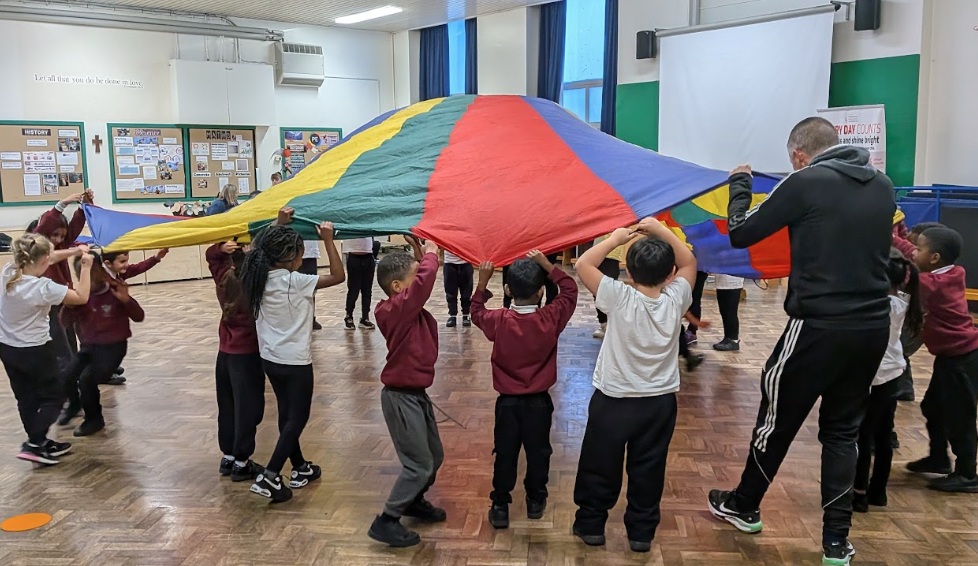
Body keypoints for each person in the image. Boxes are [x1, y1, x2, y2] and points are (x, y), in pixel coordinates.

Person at [707, 117, 894, 566]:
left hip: (818, 325)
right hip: (872, 327)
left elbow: (740, 233)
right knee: (843, 432)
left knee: (777, 418)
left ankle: (744, 505)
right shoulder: (883, 185)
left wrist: (740, 184)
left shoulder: (805, 181)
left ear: (798, 155)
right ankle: (836, 542)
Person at [572, 218, 696, 554]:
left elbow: (583, 264)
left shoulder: (618, 296)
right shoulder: (676, 299)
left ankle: (591, 525)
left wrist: (614, 239)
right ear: (670, 274)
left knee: (599, 463)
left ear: (627, 270)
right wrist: (660, 229)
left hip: (614, 400)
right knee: (649, 467)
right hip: (659, 404)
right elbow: (689, 261)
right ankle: (641, 532)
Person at [239, 208, 344, 503]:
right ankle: (270, 475)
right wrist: (328, 239)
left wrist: (278, 223)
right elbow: (339, 276)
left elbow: (256, 249)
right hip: (295, 361)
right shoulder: (295, 281)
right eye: (300, 252)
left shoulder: (256, 277)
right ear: (291, 257)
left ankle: (299, 468)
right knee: (297, 417)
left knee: (287, 413)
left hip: (270, 358)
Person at [471, 251, 578, 529]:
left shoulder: (499, 320)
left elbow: (476, 312)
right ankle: (535, 500)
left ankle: (500, 504)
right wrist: (547, 264)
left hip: (506, 404)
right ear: (541, 291)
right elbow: (570, 289)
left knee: (505, 452)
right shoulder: (551, 317)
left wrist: (482, 283)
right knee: (539, 452)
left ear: (507, 290)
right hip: (539, 404)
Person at [367, 237, 446, 548]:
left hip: (416, 395)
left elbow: (419, 285)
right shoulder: (393, 310)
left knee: (434, 457)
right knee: (419, 465)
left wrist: (420, 255)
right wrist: (430, 255)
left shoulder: (405, 309)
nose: (420, 282)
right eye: (414, 276)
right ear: (398, 287)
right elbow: (422, 285)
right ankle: (387, 520)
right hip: (400, 398)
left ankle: (413, 500)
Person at [894, 226, 978, 493]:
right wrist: (889, 235)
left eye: (920, 249)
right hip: (950, 357)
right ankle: (939, 458)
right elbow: (909, 252)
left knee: (960, 417)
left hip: (962, 359)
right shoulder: (950, 272)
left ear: (934, 258)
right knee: (933, 407)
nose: (913, 251)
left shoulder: (934, 284)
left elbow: (903, 275)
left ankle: (967, 474)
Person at [0, 234, 92, 465]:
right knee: (55, 397)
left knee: (26, 397)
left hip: (8, 348)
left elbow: (47, 258)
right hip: (35, 350)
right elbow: (81, 297)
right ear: (44, 260)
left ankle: (39, 442)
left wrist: (74, 251)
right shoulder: (43, 288)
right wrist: (85, 267)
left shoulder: (9, 271)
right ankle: (33, 443)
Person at [853, 249, 923, 512]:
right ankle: (878, 491)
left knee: (862, 434)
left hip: (873, 374)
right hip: (893, 373)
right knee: (883, 434)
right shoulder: (902, 301)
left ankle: (859, 494)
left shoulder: (876, 305)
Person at [60, 252, 145, 437]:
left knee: (86, 380)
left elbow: (139, 316)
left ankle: (94, 420)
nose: (87, 277)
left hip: (113, 348)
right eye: (82, 272)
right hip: (90, 347)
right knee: (67, 376)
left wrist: (126, 300)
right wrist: (68, 306)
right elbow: (65, 322)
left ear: (100, 270)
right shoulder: (81, 296)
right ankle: (74, 405)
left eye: (91, 270)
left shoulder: (114, 289)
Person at [206, 240, 266, 483]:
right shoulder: (255, 287)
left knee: (228, 406)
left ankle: (229, 456)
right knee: (248, 409)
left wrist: (220, 248)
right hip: (247, 356)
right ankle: (241, 462)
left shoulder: (224, 279)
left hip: (225, 355)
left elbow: (212, 258)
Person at [30, 192, 91, 425]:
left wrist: (84, 206)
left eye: (61, 236)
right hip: (50, 306)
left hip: (65, 301)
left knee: (71, 348)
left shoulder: (63, 245)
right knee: (62, 353)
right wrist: (62, 203)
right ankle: (69, 397)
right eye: (53, 235)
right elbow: (45, 227)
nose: (57, 240)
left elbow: (76, 226)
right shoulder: (39, 248)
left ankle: (74, 392)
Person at [892, 221, 942, 402]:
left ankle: (901, 389)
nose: (907, 235)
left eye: (919, 249)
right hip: (917, 323)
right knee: (899, 350)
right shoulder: (938, 272)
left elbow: (906, 248)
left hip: (918, 324)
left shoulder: (928, 278)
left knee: (899, 348)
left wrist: (890, 236)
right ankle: (904, 390)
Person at [591, 234, 623, 340]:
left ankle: (609, 325)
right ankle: (604, 324)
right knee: (597, 289)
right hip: (598, 251)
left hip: (611, 254)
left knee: (607, 291)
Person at [343, 237, 377, 330]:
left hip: (368, 255)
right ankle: (349, 316)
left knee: (367, 290)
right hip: (354, 255)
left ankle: (365, 317)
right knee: (353, 290)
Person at [712, 274, 743, 352]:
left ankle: (733, 339)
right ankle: (727, 337)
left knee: (730, 312)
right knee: (724, 312)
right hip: (721, 282)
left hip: (733, 283)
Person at [443, 250, 473, 328]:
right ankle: (452, 316)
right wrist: (440, 256)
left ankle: (466, 315)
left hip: (466, 262)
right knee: (450, 292)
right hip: (449, 262)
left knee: (466, 293)